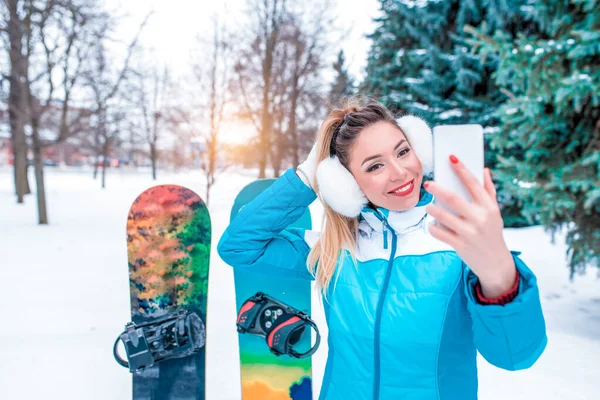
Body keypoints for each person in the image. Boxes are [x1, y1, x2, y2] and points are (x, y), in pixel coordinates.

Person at [218, 98, 547, 400]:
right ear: (346, 184)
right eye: (375, 166)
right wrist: (309, 176)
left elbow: (515, 355)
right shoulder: (333, 250)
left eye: (403, 152)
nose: (400, 172)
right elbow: (238, 246)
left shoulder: (459, 244)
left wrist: (499, 273)